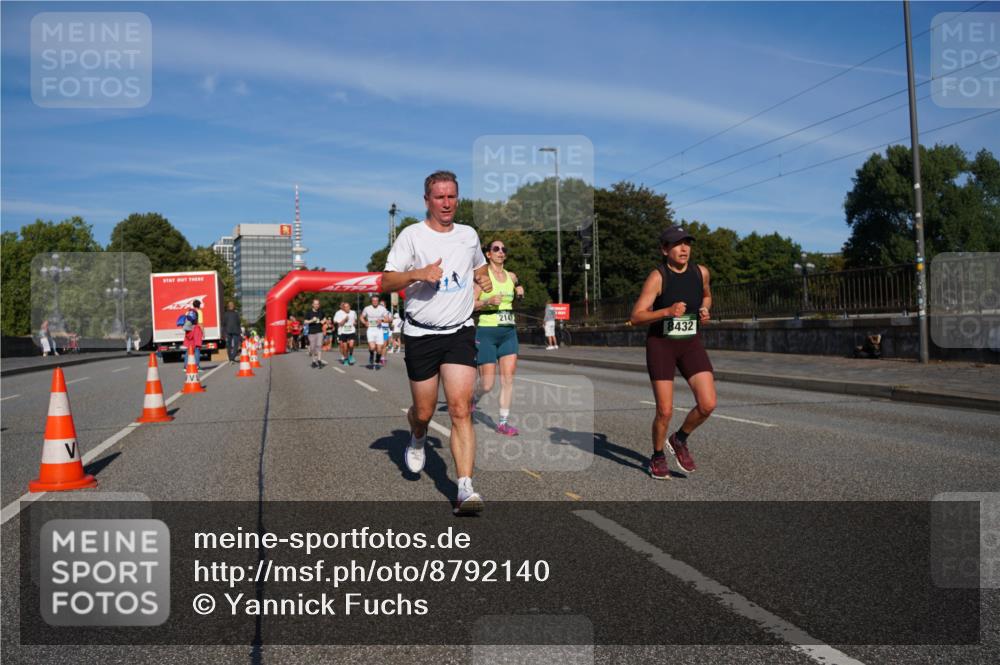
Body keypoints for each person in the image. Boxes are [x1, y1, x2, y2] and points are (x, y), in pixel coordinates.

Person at [382, 170, 491, 515]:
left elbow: (479, 267)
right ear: (427, 200)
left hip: (459, 331)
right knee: (425, 412)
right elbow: (385, 282)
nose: (446, 203)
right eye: (440, 197)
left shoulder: (468, 235)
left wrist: (483, 280)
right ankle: (417, 436)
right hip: (421, 333)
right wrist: (418, 273)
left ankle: (464, 488)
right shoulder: (412, 236)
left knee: (460, 409)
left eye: (452, 196)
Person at [629, 225, 716, 480]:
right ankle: (657, 456)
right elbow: (636, 316)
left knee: (708, 404)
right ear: (665, 250)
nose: (684, 248)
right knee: (665, 411)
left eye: (687, 243)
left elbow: (707, 296)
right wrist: (666, 311)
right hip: (662, 345)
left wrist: (705, 309)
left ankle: (679, 439)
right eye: (677, 244)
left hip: (690, 343)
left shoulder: (701, 272)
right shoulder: (658, 277)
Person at [474, 239, 525, 436]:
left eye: (504, 249)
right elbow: (470, 304)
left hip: (508, 332)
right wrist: (487, 301)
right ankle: (472, 399)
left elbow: (516, 288)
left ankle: (503, 423)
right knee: (487, 384)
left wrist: (519, 292)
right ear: (488, 254)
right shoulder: (482, 278)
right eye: (496, 249)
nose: (501, 252)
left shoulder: (511, 276)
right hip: (487, 332)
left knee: (508, 379)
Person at [361, 295, 390, 370]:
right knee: (372, 347)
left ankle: (377, 361)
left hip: (379, 330)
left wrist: (382, 320)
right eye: (373, 300)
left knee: (379, 349)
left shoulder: (382, 309)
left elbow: (388, 319)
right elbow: (361, 317)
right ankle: (371, 354)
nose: (375, 302)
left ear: (378, 301)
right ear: (371, 301)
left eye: (376, 300)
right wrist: (365, 322)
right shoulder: (367, 308)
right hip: (370, 330)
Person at [303, 299, 328, 368]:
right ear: (312, 305)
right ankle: (313, 361)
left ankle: (319, 360)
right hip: (311, 332)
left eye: (318, 304)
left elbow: (325, 318)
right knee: (312, 347)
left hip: (319, 331)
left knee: (319, 345)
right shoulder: (309, 313)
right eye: (315, 304)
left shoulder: (321, 312)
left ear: (319, 305)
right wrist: (311, 320)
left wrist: (323, 321)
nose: (316, 305)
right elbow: (305, 322)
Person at [183, 299, 204, 369]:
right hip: (196, 330)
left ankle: (185, 366)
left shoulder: (188, 312)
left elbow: (185, 322)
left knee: (189, 348)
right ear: (199, 305)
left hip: (189, 331)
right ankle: (197, 365)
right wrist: (203, 332)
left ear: (193, 305)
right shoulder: (199, 312)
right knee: (197, 348)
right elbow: (200, 323)